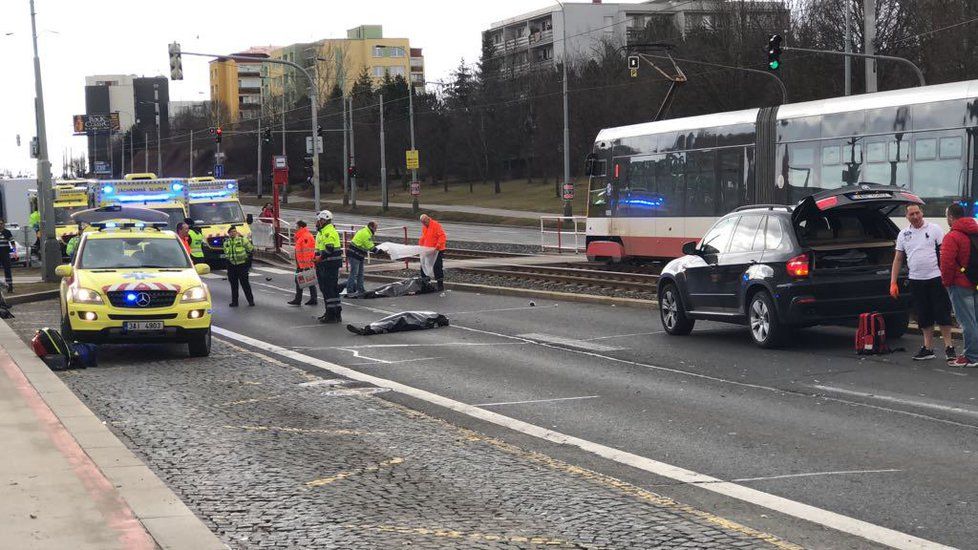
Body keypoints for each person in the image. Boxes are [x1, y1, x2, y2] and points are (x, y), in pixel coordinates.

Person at [890, 204, 954, 361]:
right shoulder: (903, 234)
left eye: (917, 213)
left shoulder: (935, 229)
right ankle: (928, 347)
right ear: (907, 217)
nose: (915, 216)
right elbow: (898, 259)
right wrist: (893, 282)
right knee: (923, 315)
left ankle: (949, 347)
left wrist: (947, 276)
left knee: (943, 313)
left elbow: (944, 254)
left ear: (922, 213)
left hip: (936, 278)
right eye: (911, 214)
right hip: (916, 279)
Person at [940, 203, 978, 367]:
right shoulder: (975, 232)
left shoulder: (952, 236)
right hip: (975, 282)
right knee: (976, 320)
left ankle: (971, 356)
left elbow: (947, 263)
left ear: (950, 217)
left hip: (960, 284)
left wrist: (946, 283)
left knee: (967, 322)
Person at [314, 210, 343, 323]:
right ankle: (334, 312)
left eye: (319, 220)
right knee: (331, 289)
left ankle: (331, 314)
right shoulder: (324, 231)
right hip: (327, 264)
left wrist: (319, 258)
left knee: (328, 290)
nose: (317, 222)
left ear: (323, 220)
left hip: (328, 264)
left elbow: (329, 249)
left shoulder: (328, 231)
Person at [288, 220, 318, 306]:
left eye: (296, 227)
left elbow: (307, 252)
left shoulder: (305, 237)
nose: (295, 228)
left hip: (304, 264)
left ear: (301, 227)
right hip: (302, 264)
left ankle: (300, 299)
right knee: (308, 280)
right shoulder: (303, 236)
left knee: (302, 280)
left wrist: (305, 265)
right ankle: (311, 299)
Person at [345, 221, 379, 298]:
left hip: (358, 255)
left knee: (360, 273)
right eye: (375, 228)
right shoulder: (366, 234)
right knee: (354, 273)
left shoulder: (365, 231)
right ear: (371, 227)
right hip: (354, 255)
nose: (376, 230)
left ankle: (360, 290)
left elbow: (368, 245)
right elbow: (371, 247)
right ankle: (350, 291)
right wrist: (379, 251)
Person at [224, 225, 255, 307]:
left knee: (245, 284)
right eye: (231, 232)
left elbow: (251, 249)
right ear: (229, 234)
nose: (233, 233)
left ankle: (250, 301)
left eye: (234, 231)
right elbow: (226, 254)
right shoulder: (226, 242)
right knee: (234, 286)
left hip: (242, 265)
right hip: (232, 266)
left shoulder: (242, 240)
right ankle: (235, 302)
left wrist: (248, 262)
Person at [418, 214, 447, 290]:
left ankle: (440, 284)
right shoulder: (424, 227)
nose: (424, 224)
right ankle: (426, 283)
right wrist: (421, 246)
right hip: (429, 250)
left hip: (438, 249)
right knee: (424, 265)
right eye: (422, 222)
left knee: (437, 266)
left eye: (424, 222)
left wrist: (438, 245)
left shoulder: (435, 225)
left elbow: (442, 236)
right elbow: (424, 238)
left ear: (428, 219)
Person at [0, 219, 15, 292]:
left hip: (5, 253)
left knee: (7, 270)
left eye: (1, 223)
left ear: (3, 224)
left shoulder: (7, 232)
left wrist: (14, 252)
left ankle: (10, 287)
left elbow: (12, 242)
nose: (0, 225)